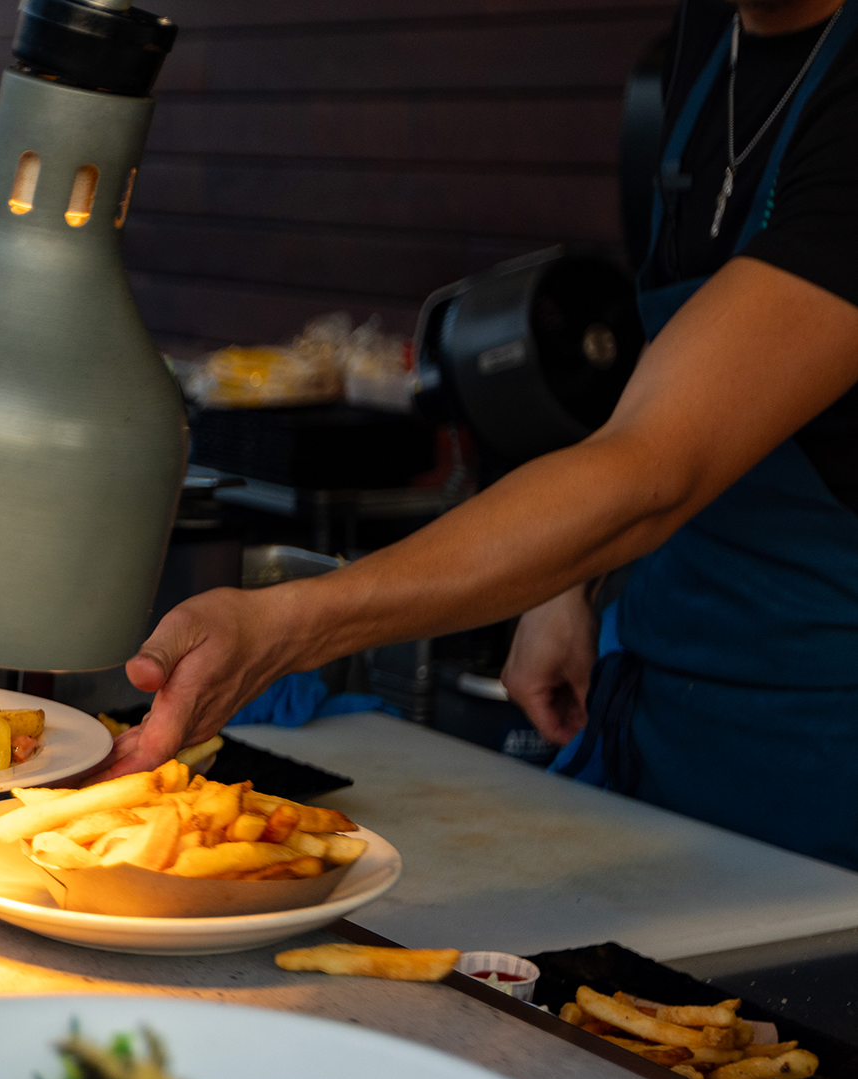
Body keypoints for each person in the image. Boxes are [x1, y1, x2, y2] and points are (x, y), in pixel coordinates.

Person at [103, 0, 858, 871]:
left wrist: (288, 624)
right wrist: (566, 580)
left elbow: (656, 467)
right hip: (661, 689)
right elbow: (681, 369)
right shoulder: (709, 40)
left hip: (821, 746)